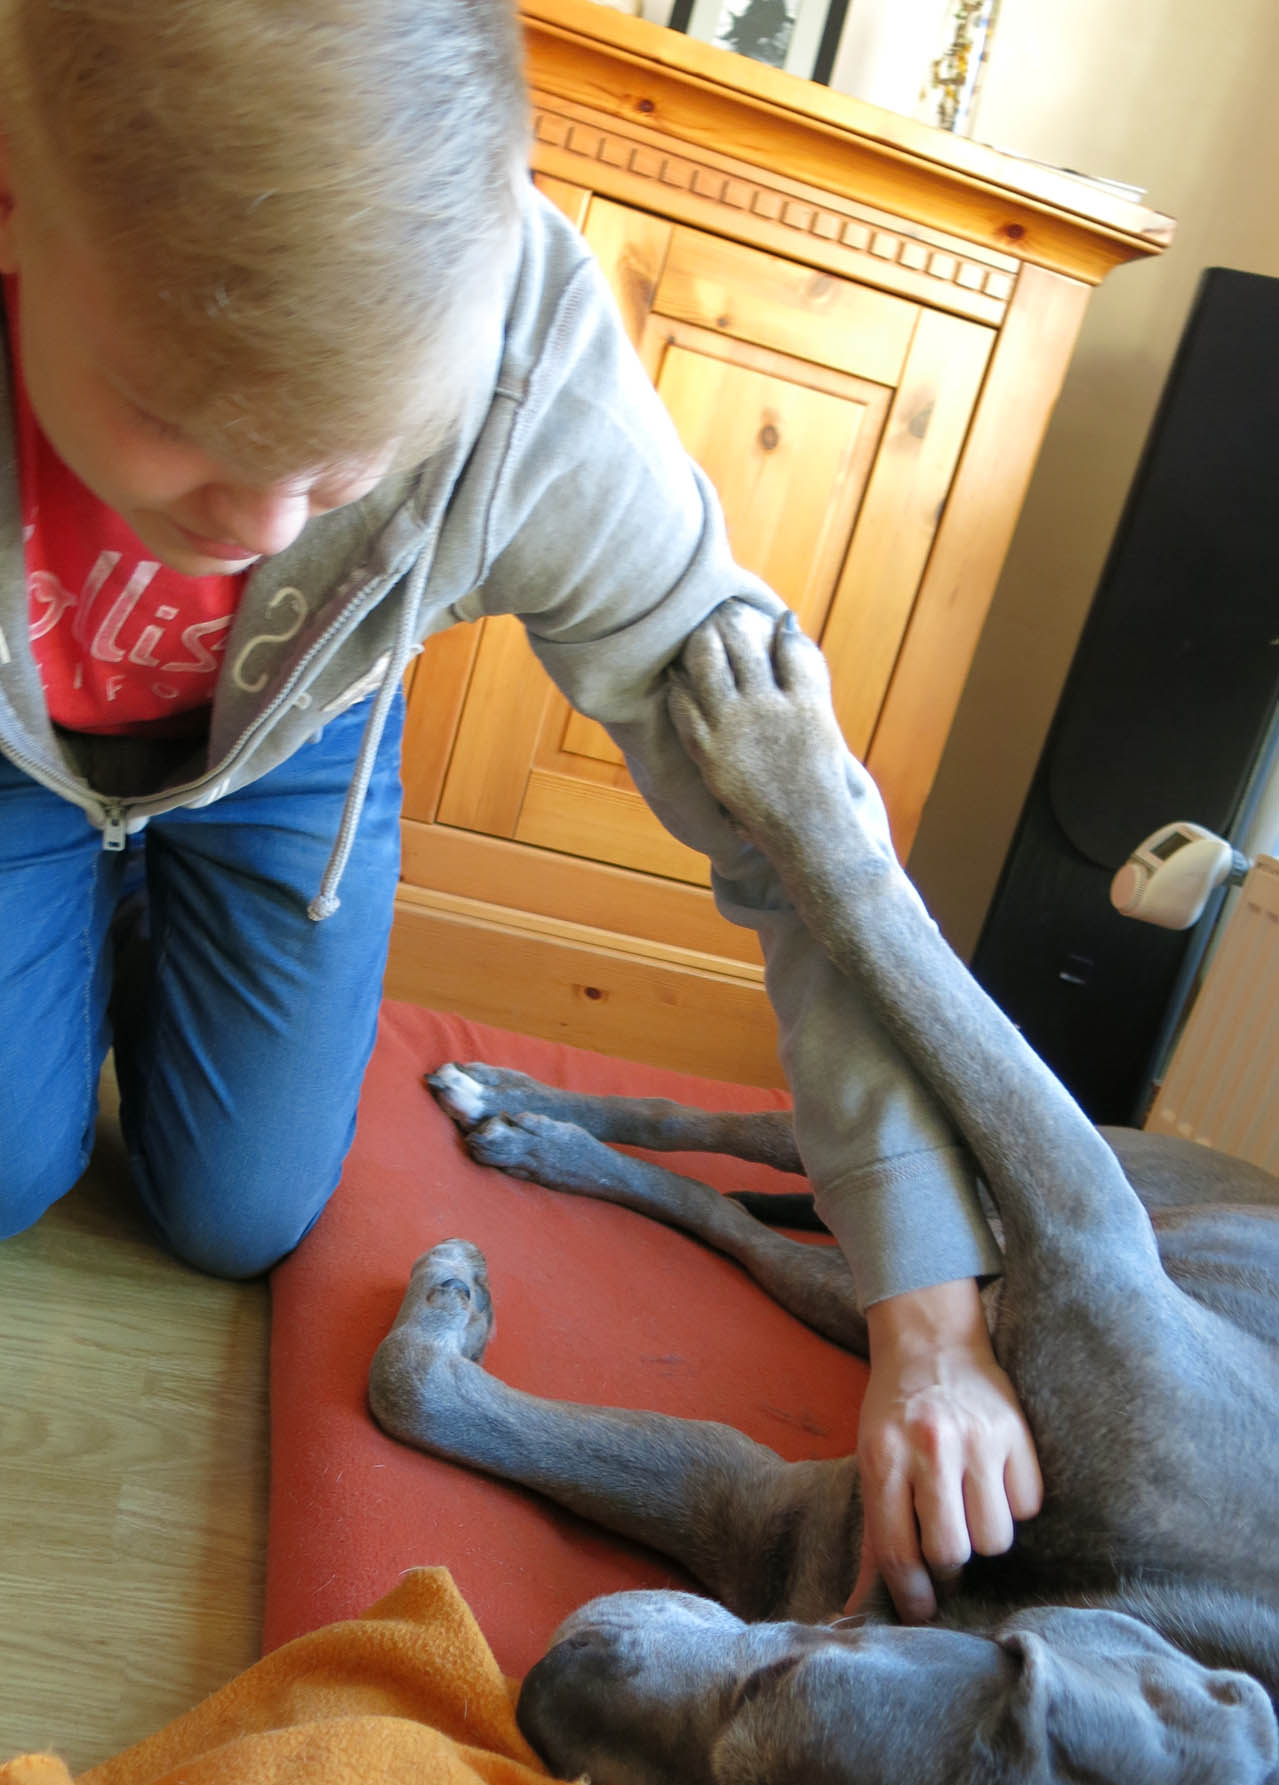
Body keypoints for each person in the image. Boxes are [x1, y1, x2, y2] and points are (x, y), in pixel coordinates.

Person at [0, 0, 1040, 1622]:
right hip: (18, 744)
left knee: (240, 1212)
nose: (260, 519)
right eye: (181, 420)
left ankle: (140, 924)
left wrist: (929, 1315)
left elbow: (794, 824)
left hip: (290, 736)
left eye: (341, 466)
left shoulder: (531, 375)